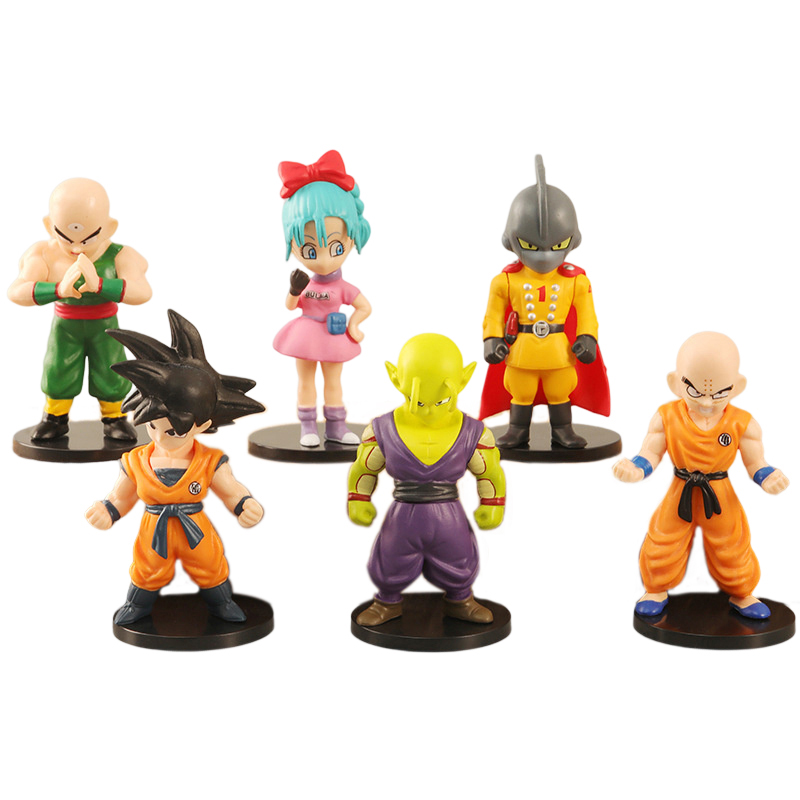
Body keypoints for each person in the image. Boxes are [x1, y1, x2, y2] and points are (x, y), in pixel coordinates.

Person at [85, 311, 265, 625]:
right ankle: (137, 604)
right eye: (152, 426)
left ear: (203, 425)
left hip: (195, 527)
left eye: (172, 431)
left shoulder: (209, 461)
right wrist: (107, 509)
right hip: (153, 527)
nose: (159, 437)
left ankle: (221, 603)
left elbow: (230, 490)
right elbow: (122, 496)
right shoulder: (136, 461)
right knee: (147, 567)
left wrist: (244, 504)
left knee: (209, 564)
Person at [613, 332, 789, 619]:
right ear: (675, 383)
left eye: (719, 393)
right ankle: (655, 589)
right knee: (663, 538)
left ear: (737, 387)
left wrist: (767, 476)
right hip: (680, 489)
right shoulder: (666, 416)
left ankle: (742, 592)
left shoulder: (743, 423)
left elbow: (756, 462)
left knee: (732, 543)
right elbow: (651, 452)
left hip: (719, 493)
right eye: (695, 391)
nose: (707, 402)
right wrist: (636, 468)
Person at [348, 334, 506, 626]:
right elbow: (364, 469)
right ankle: (386, 601)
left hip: (449, 515)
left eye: (441, 400)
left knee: (459, 557)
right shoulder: (382, 429)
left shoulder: (473, 432)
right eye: (418, 400)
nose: (429, 410)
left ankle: (461, 599)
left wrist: (492, 503)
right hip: (402, 514)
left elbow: (489, 472)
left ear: (464, 379)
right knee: (390, 556)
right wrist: (358, 498)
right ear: (395, 378)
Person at [480, 155, 609, 449]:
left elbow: (588, 315)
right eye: (530, 245)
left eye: (557, 245)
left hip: (558, 351)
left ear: (572, 240)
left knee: (560, 389)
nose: (544, 255)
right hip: (522, 350)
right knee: (520, 390)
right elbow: (493, 315)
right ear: (510, 240)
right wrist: (491, 339)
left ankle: (562, 430)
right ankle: (517, 430)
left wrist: (587, 338)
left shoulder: (575, 281)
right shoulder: (505, 281)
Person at [8, 178, 151, 440]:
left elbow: (142, 291)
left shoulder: (120, 255)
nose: (76, 248)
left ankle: (114, 417)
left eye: (87, 239)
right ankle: (55, 417)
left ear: (109, 228)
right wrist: (58, 290)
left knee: (110, 369)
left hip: (105, 326)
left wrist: (100, 285)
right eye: (65, 238)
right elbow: (16, 291)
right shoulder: (43, 254)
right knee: (58, 368)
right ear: (49, 226)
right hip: (65, 326)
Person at [273, 150, 372, 446]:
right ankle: (307, 427)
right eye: (310, 250)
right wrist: (294, 290)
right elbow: (290, 305)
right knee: (305, 380)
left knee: (333, 381)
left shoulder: (343, 287)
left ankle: (336, 426)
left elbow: (364, 306)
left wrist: (353, 325)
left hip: (333, 335)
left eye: (337, 247)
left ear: (351, 238)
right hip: (304, 335)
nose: (325, 259)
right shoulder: (305, 282)